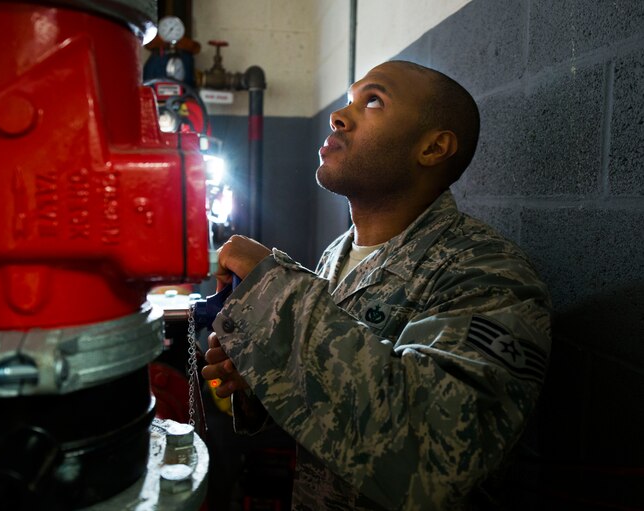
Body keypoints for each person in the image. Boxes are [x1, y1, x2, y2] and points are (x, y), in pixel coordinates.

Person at [201, 60, 551, 510]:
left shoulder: (488, 272)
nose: (339, 116)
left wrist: (273, 291)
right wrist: (261, 373)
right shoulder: (336, 256)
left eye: (373, 101)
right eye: (348, 99)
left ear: (433, 147)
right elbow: (333, 412)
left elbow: (437, 454)